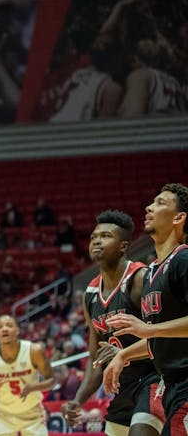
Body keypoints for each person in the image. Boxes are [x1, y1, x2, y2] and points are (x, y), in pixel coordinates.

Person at [62, 210, 163, 436]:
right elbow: (95, 359)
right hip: (123, 388)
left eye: (106, 236)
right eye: (93, 237)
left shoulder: (140, 279)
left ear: (123, 246)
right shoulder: (89, 293)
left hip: (154, 379)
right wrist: (78, 400)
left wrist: (122, 352)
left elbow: (165, 337)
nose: (97, 240)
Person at [104, 183, 188, 435]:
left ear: (179, 218)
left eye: (161, 203)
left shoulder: (183, 260)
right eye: (151, 202)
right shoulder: (152, 271)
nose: (150, 207)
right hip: (172, 385)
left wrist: (146, 329)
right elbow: (163, 335)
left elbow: (154, 331)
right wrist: (123, 354)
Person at [0, 315, 54, 436]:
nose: (4, 329)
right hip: (3, 415)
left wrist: (33, 387)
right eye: (0, 327)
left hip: (32, 414)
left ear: (17, 330)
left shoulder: (34, 351)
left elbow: (52, 381)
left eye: (9, 325)